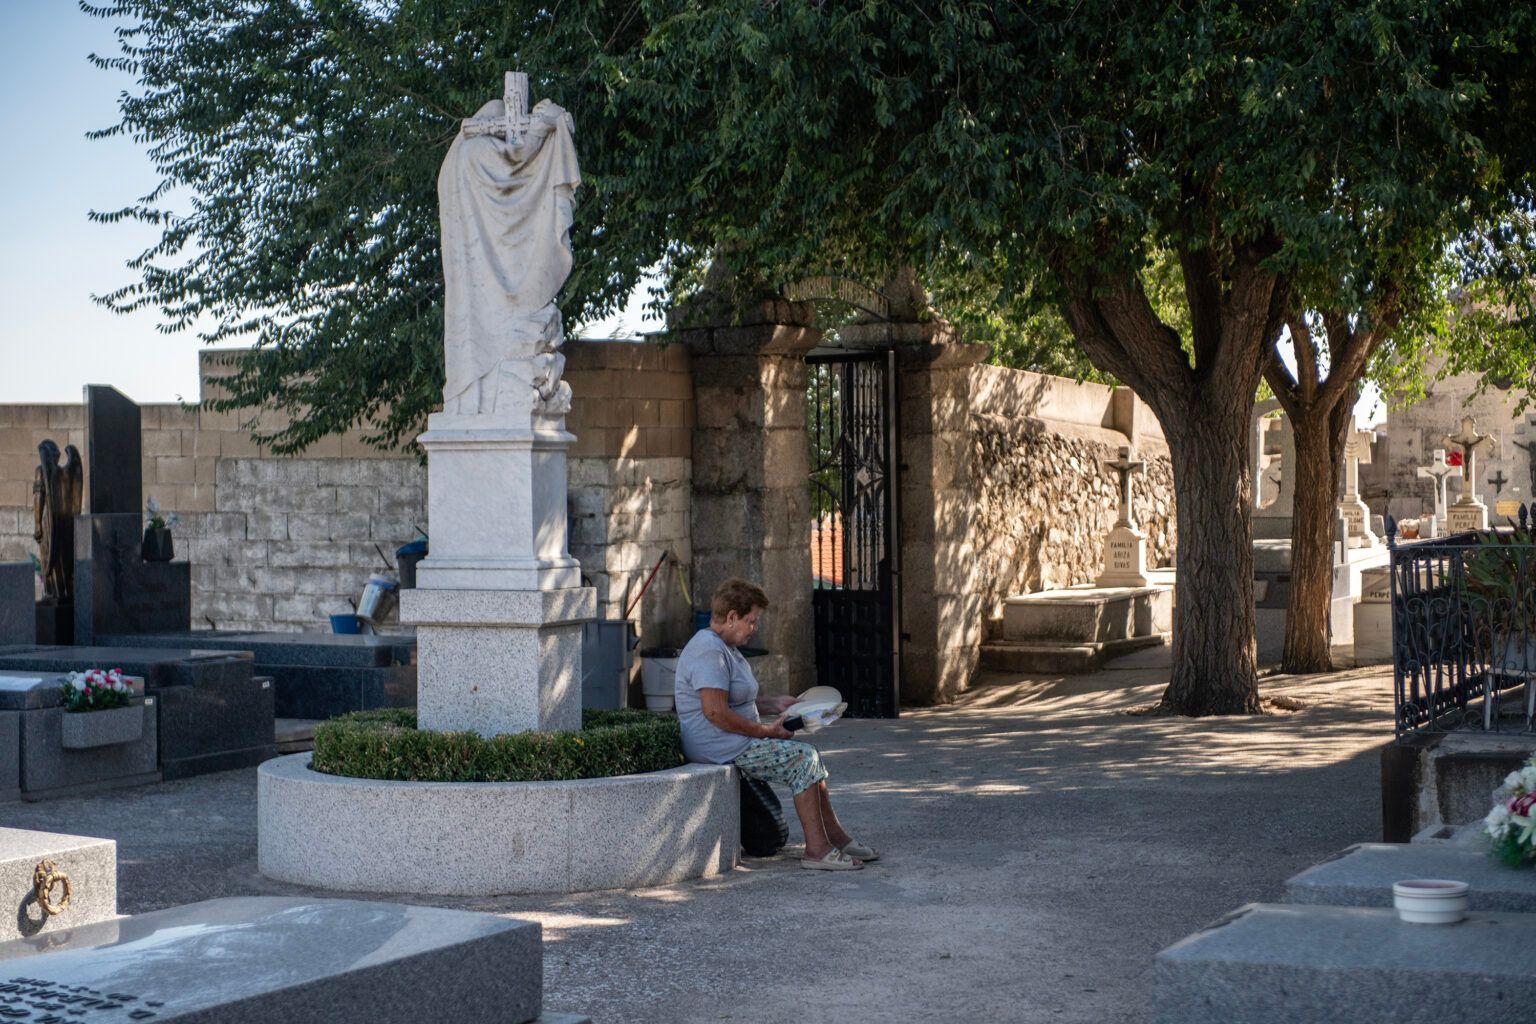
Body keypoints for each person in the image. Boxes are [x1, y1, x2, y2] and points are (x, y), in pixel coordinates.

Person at [675, 578, 878, 871]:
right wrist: (766, 731)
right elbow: (715, 712)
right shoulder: (709, 651)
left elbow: (733, 702)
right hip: (720, 745)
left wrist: (775, 704)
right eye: (751, 621)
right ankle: (817, 850)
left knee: (811, 757)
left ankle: (836, 837)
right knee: (803, 759)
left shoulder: (725, 647)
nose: (753, 628)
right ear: (732, 617)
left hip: (733, 740)